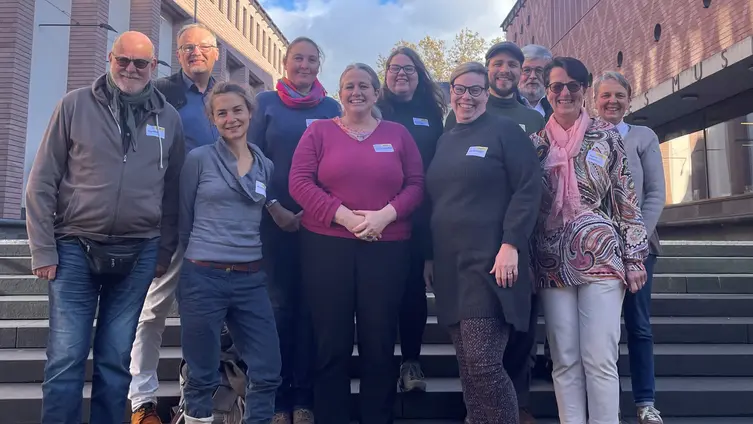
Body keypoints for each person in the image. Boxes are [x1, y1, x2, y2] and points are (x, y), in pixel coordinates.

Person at [25, 31, 185, 424]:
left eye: (141, 63)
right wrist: (43, 248)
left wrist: (163, 251)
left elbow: (174, 192)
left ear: (154, 67)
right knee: (65, 359)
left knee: (115, 360)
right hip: (73, 246)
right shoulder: (75, 105)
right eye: (123, 60)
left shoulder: (168, 117)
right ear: (110, 59)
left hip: (139, 252)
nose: (131, 69)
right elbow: (42, 180)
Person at [288, 63, 424, 424]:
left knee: (378, 340)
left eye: (364, 86)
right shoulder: (319, 132)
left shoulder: (397, 134)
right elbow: (299, 183)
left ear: (377, 93)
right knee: (331, 341)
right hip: (327, 246)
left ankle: (377, 417)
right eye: (349, 86)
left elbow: (416, 185)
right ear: (339, 93)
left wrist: (385, 215)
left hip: (387, 245)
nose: (356, 92)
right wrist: (345, 216)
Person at [530, 57, 649, 424]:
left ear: (585, 90)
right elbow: (528, 206)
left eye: (573, 86)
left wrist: (635, 258)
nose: (564, 93)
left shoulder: (607, 136)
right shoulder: (534, 145)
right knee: (564, 359)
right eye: (556, 86)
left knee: (599, 357)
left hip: (602, 257)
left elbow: (625, 199)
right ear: (547, 92)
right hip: (551, 259)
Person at [424, 61, 542, 424]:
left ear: (487, 93)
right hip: (450, 266)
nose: (467, 97)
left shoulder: (505, 131)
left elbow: (528, 190)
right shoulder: (445, 140)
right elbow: (437, 201)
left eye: (476, 89)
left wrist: (511, 244)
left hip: (491, 263)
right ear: (450, 93)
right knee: (469, 369)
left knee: (484, 364)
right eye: (460, 89)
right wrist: (429, 257)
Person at [129, 22, 220, 424]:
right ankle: (142, 400)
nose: (194, 52)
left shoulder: (229, 97)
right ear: (177, 54)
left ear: (216, 53)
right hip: (168, 221)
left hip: (216, 224)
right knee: (152, 312)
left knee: (204, 317)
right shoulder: (160, 93)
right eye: (186, 47)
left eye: (202, 47)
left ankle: (192, 399)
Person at [248, 36, 341, 424]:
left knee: (311, 311)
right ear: (285, 63)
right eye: (297, 59)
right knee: (279, 311)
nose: (304, 65)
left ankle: (304, 397)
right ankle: (278, 398)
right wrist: (273, 206)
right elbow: (248, 161)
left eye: (312, 59)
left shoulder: (333, 107)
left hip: (320, 226)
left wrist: (323, 210)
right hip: (274, 225)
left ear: (320, 65)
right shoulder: (265, 104)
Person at [177, 81, 282, 424]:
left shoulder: (264, 165)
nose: (231, 118)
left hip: (250, 278)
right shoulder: (198, 160)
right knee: (202, 373)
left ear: (250, 113)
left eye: (237, 110)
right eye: (221, 113)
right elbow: (184, 217)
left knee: (266, 370)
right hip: (203, 275)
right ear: (213, 120)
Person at [595, 71, 666, 424]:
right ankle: (605, 404)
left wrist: (636, 240)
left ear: (629, 98)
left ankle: (644, 402)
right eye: (606, 95)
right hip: (595, 250)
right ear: (595, 100)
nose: (612, 102)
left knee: (638, 325)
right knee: (600, 329)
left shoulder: (642, 136)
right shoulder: (586, 136)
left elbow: (655, 193)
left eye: (619, 95)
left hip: (639, 248)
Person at [376, 46, 446, 393]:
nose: (401, 73)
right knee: (380, 295)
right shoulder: (374, 109)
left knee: (413, 293)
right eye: (394, 68)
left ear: (420, 75)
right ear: (385, 75)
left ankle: (411, 362)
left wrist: (432, 249)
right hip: (376, 220)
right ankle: (380, 363)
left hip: (418, 220)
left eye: (409, 69)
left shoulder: (433, 115)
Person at [445, 42, 544, 138]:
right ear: (487, 69)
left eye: (512, 65)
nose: (505, 70)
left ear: (521, 71)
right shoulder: (462, 112)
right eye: (498, 64)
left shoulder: (535, 119)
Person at [519, 45, 554, 121]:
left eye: (539, 70)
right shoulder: (505, 104)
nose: (532, 76)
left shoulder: (556, 105)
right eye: (527, 70)